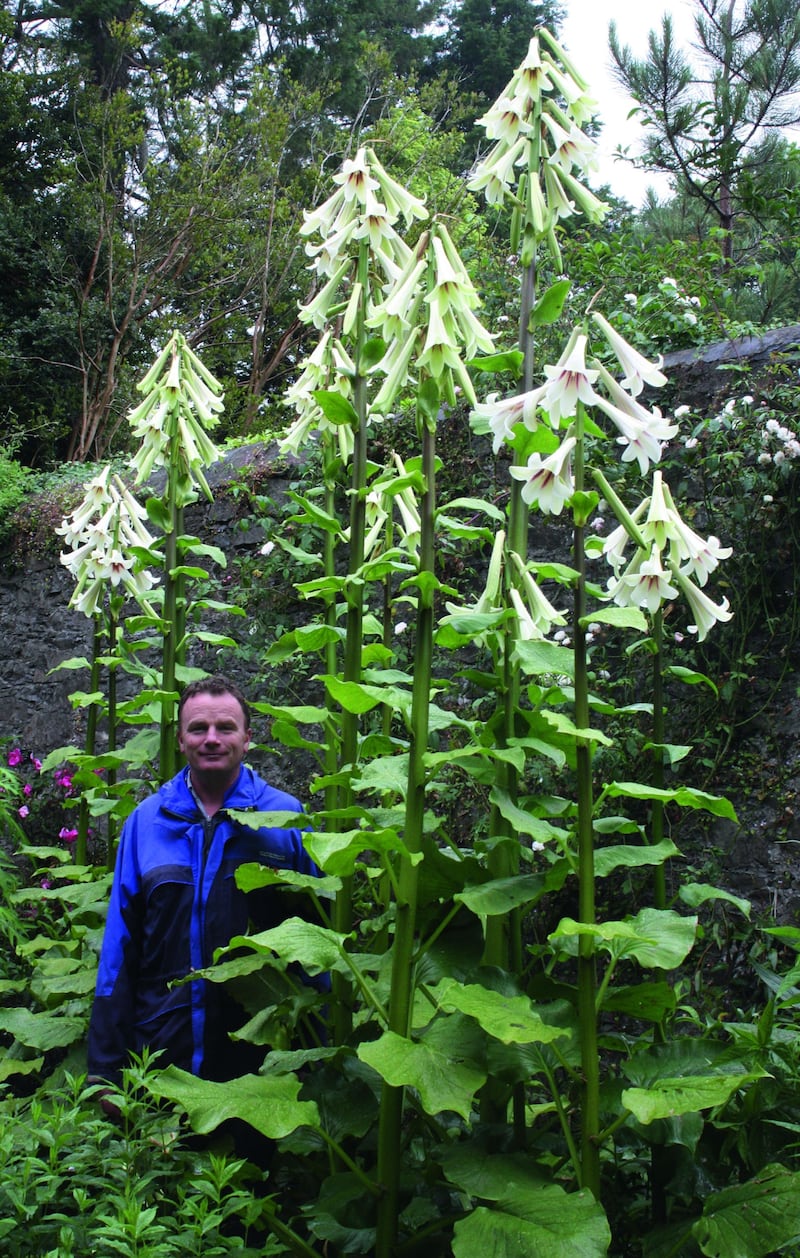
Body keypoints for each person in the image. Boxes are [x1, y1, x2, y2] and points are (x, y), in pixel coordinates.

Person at [87, 674, 323, 1088]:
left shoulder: (286, 819)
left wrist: (316, 1056)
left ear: (247, 738)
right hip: (161, 1058)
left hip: (263, 1066)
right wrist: (104, 1070)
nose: (211, 738)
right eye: (198, 728)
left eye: (225, 728)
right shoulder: (147, 822)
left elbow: (316, 942)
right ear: (180, 740)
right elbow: (120, 949)